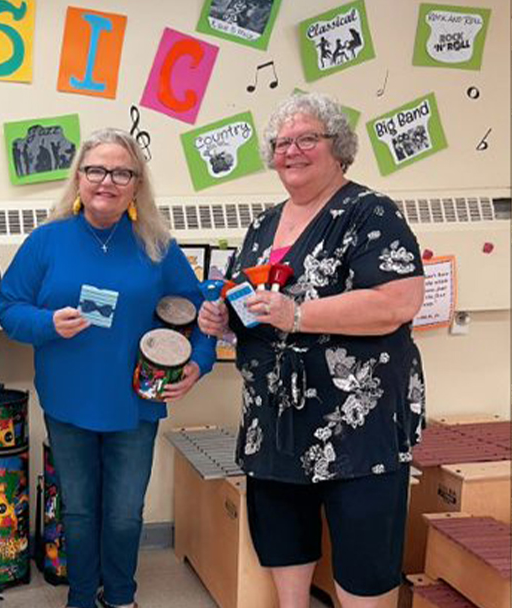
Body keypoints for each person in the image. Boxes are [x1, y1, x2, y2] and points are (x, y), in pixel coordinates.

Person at [197, 92, 426, 608]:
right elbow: (253, 305)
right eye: (282, 143)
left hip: (356, 427)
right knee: (284, 549)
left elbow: (399, 300)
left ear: (337, 147)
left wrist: (299, 316)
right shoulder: (262, 224)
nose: (292, 151)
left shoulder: (369, 212)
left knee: (364, 565)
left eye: (307, 139)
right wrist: (224, 321)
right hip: (275, 426)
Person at [0, 128, 216, 608]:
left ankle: (119, 595)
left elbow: (203, 316)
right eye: (96, 170)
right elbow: (9, 309)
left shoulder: (157, 246)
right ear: (78, 178)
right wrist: (48, 322)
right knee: (77, 511)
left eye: (121, 172)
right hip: (68, 399)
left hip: (136, 402)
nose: (107, 181)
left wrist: (199, 362)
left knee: (122, 514)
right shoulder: (47, 241)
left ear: (136, 185)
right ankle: (80, 596)